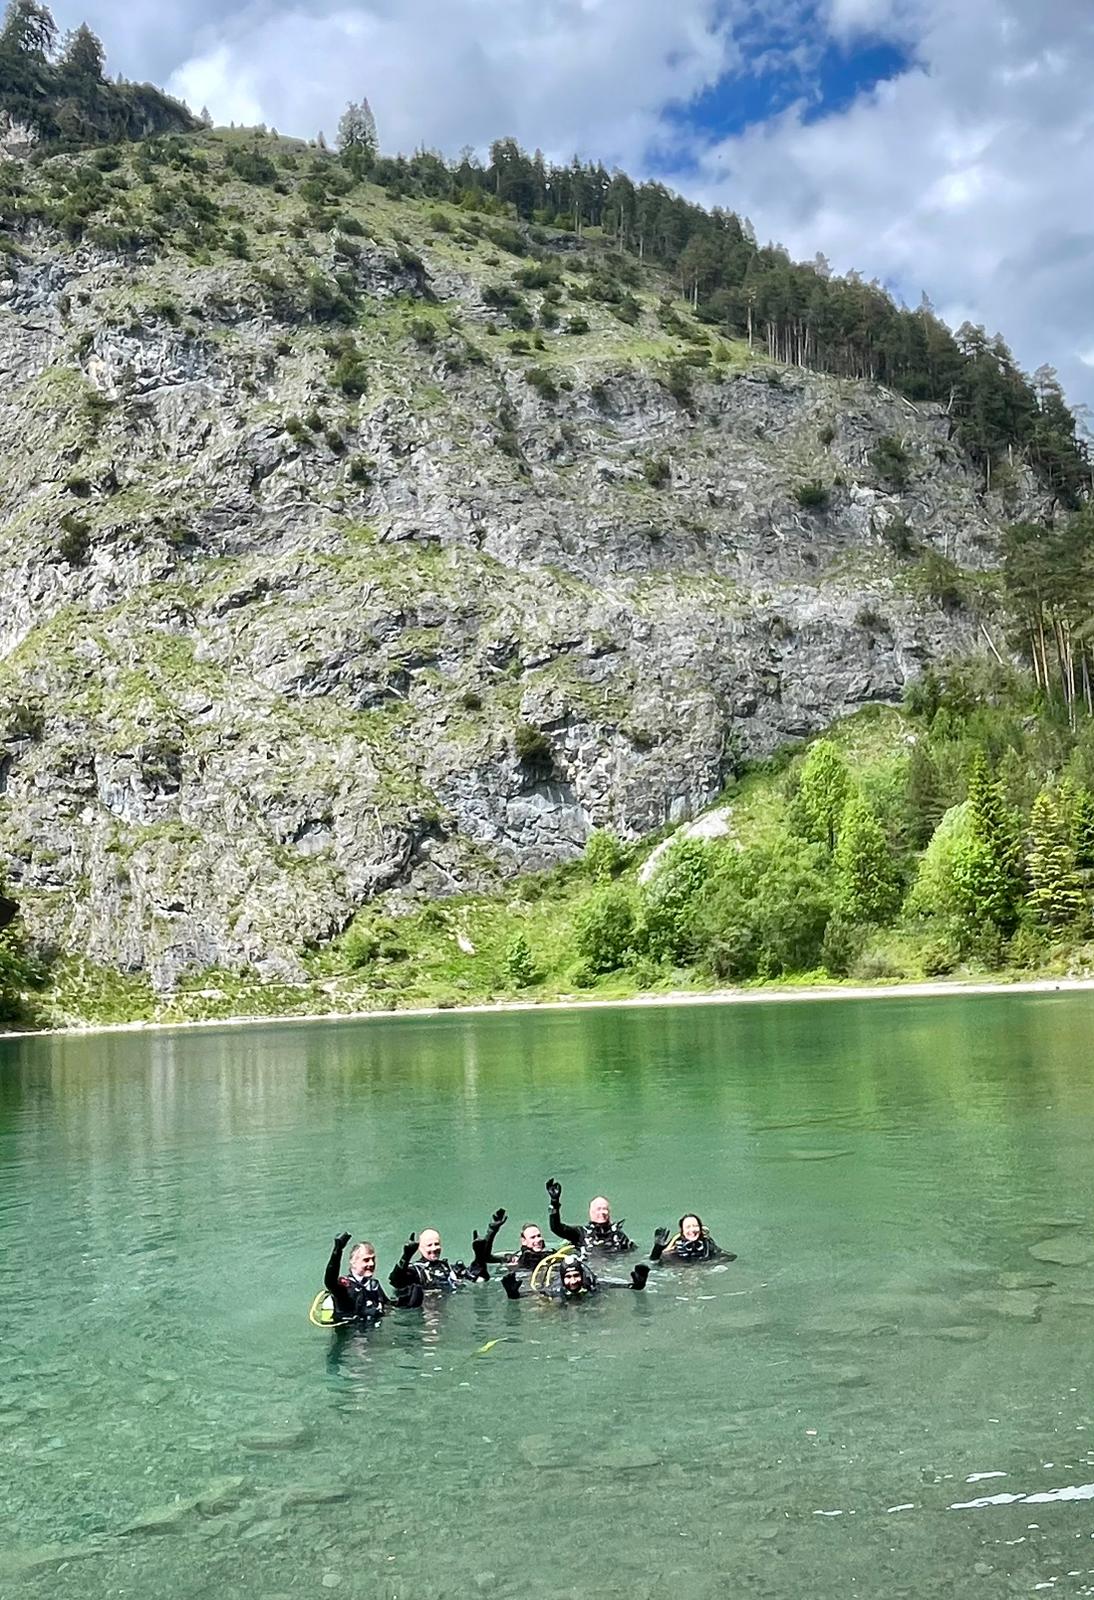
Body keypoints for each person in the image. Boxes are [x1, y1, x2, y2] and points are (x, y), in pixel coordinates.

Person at [323, 1232, 422, 1322]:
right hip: (352, 1333)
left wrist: (409, 1301)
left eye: (373, 1259)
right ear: (353, 1262)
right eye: (366, 1260)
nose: (371, 1263)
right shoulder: (345, 1287)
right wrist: (337, 1250)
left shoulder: (373, 1284)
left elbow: (388, 1306)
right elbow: (330, 1281)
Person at [545, 1177, 635, 1253]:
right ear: (591, 1212)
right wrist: (554, 1203)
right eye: (598, 1209)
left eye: (605, 1209)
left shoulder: (619, 1236)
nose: (602, 1212)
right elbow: (556, 1228)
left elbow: (632, 1253)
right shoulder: (581, 1233)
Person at [501, 1253, 649, 1300]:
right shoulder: (556, 1289)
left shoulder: (592, 1284)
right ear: (562, 1278)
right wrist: (513, 1294)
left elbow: (618, 1286)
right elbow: (533, 1293)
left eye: (576, 1275)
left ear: (582, 1275)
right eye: (568, 1277)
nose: (573, 1281)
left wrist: (637, 1285)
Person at [649, 1213, 735, 1264]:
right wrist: (657, 1248)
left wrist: (709, 1264)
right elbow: (654, 1263)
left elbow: (730, 1257)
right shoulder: (673, 1247)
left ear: (700, 1228)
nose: (692, 1230)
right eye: (688, 1227)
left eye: (695, 1226)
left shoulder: (707, 1245)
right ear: (682, 1230)